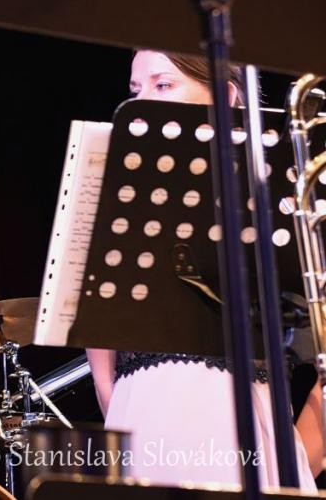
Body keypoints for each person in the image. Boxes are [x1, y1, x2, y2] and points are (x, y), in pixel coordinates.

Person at [88, 49, 321, 488]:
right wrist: (127, 418)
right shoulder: (118, 199)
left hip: (241, 418)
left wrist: (296, 455)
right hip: (147, 420)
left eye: (163, 85)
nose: (143, 103)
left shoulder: (271, 198)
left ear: (226, 97)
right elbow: (102, 357)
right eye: (135, 90)